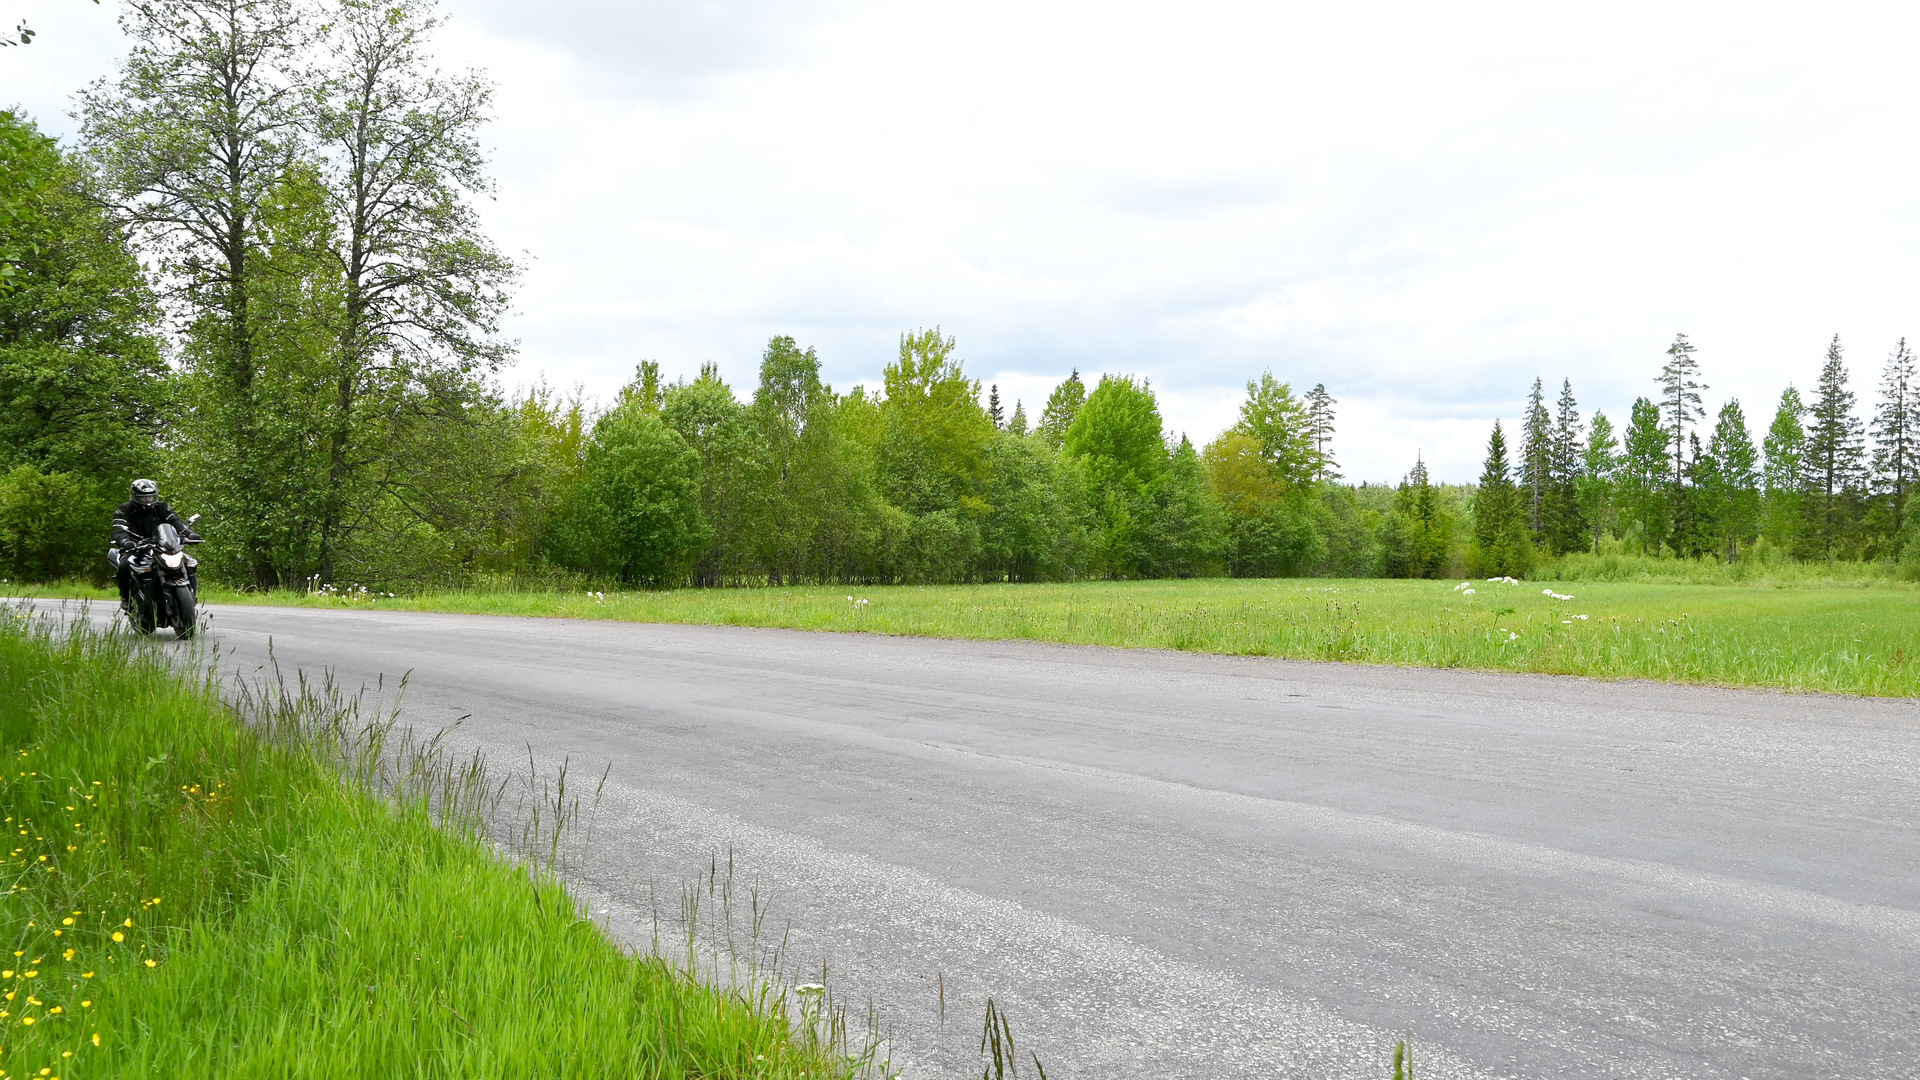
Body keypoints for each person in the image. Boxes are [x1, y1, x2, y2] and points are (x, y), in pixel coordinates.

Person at [111, 479, 194, 610]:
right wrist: (125, 541)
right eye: (143, 497)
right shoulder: (125, 509)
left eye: (150, 496)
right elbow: (118, 528)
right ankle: (126, 597)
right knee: (124, 565)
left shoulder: (162, 507)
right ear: (135, 496)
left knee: (190, 562)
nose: (148, 500)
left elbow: (174, 520)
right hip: (136, 547)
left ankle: (191, 595)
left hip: (162, 545)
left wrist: (188, 533)